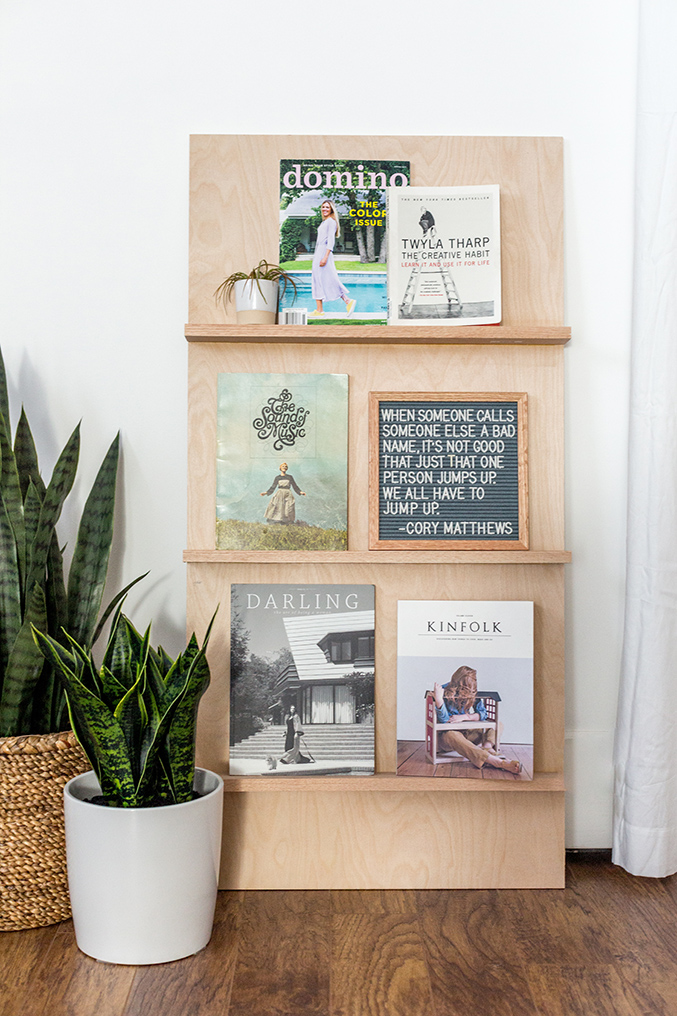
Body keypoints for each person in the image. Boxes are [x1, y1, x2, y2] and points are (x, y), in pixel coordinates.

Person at [433, 665, 522, 774]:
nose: (467, 694)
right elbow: (445, 721)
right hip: (448, 739)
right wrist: (439, 700)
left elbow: (483, 714)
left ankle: (487, 747)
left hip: (467, 734)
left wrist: (466, 717)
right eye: (465, 690)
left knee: (498, 724)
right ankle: (496, 761)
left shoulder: (472, 691)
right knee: (451, 734)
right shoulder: (445, 691)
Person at [309, 200, 356, 318]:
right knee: (321, 279)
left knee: (322, 279)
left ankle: (322, 310)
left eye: (327, 207)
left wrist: (325, 257)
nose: (324, 209)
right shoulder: (325, 222)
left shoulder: (331, 222)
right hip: (319, 251)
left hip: (324, 253)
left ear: (331, 209)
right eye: (323, 207)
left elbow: (331, 241)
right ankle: (344, 302)